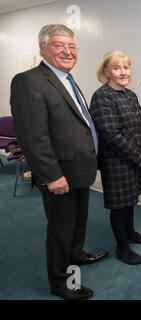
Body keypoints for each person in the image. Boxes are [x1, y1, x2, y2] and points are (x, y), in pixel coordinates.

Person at [10, 24, 108, 300]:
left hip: (79, 169)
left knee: (78, 223)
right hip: (59, 173)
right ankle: (60, 281)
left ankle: (76, 254)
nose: (67, 51)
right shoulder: (28, 80)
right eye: (58, 45)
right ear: (42, 48)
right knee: (60, 229)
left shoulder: (67, 79)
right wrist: (51, 175)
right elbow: (33, 136)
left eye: (72, 46)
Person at [90, 51, 141, 265]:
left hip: (134, 159)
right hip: (116, 162)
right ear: (107, 71)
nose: (123, 72)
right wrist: (137, 155)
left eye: (126, 67)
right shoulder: (102, 96)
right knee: (119, 205)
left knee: (131, 199)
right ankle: (122, 248)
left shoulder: (130, 95)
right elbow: (109, 133)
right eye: (117, 68)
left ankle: (131, 232)